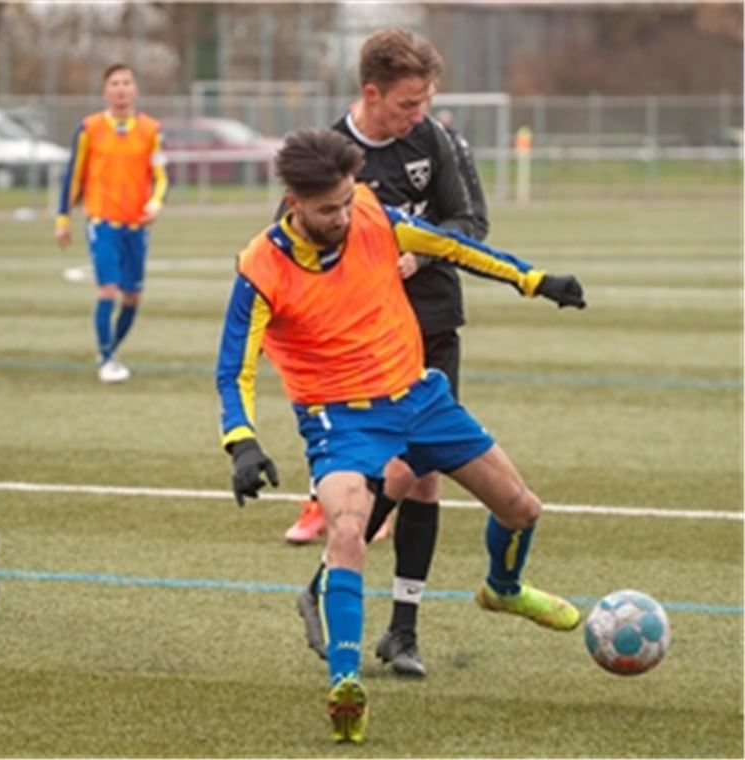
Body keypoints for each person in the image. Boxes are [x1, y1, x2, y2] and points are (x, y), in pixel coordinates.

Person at [216, 128, 585, 743]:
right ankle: (345, 686)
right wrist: (242, 442)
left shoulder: (369, 213)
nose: (343, 216)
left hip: (420, 399)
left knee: (522, 509)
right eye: (328, 209)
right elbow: (235, 368)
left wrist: (534, 280)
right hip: (341, 419)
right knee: (347, 530)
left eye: (346, 200)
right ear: (293, 203)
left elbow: (453, 245)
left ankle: (502, 588)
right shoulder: (260, 266)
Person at [286, 28, 488, 680]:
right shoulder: (329, 153)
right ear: (371, 94)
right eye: (407, 104)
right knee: (394, 468)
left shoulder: (435, 140)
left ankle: (403, 629)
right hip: (364, 341)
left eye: (425, 101)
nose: (418, 115)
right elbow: (294, 245)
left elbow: (470, 223)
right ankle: (332, 582)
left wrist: (418, 252)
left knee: (424, 472)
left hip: (433, 324)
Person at [54, 63, 169, 383]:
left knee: (132, 297)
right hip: (102, 223)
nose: (121, 89)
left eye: (126, 83)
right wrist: (63, 218)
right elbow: (73, 176)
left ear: (135, 89)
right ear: (105, 91)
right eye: (115, 83)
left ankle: (109, 349)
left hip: (137, 227)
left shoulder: (152, 130)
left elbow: (161, 176)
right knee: (107, 290)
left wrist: (155, 203)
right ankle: (107, 360)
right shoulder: (89, 128)